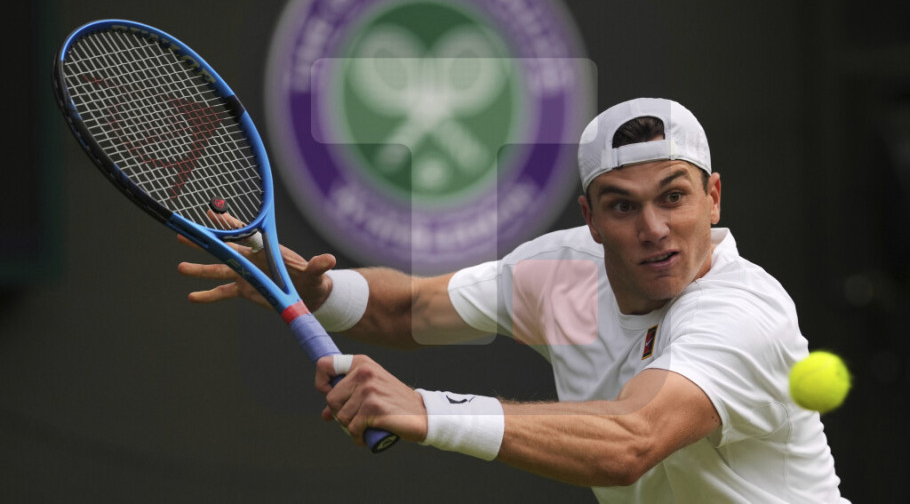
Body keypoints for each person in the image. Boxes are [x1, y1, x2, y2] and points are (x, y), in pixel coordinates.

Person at [178, 98, 849, 502]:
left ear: (714, 198)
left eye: (674, 197)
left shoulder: (739, 313)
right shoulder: (565, 276)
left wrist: (426, 409)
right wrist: (322, 289)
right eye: (623, 206)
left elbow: (631, 440)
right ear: (591, 218)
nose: (654, 228)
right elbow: (409, 309)